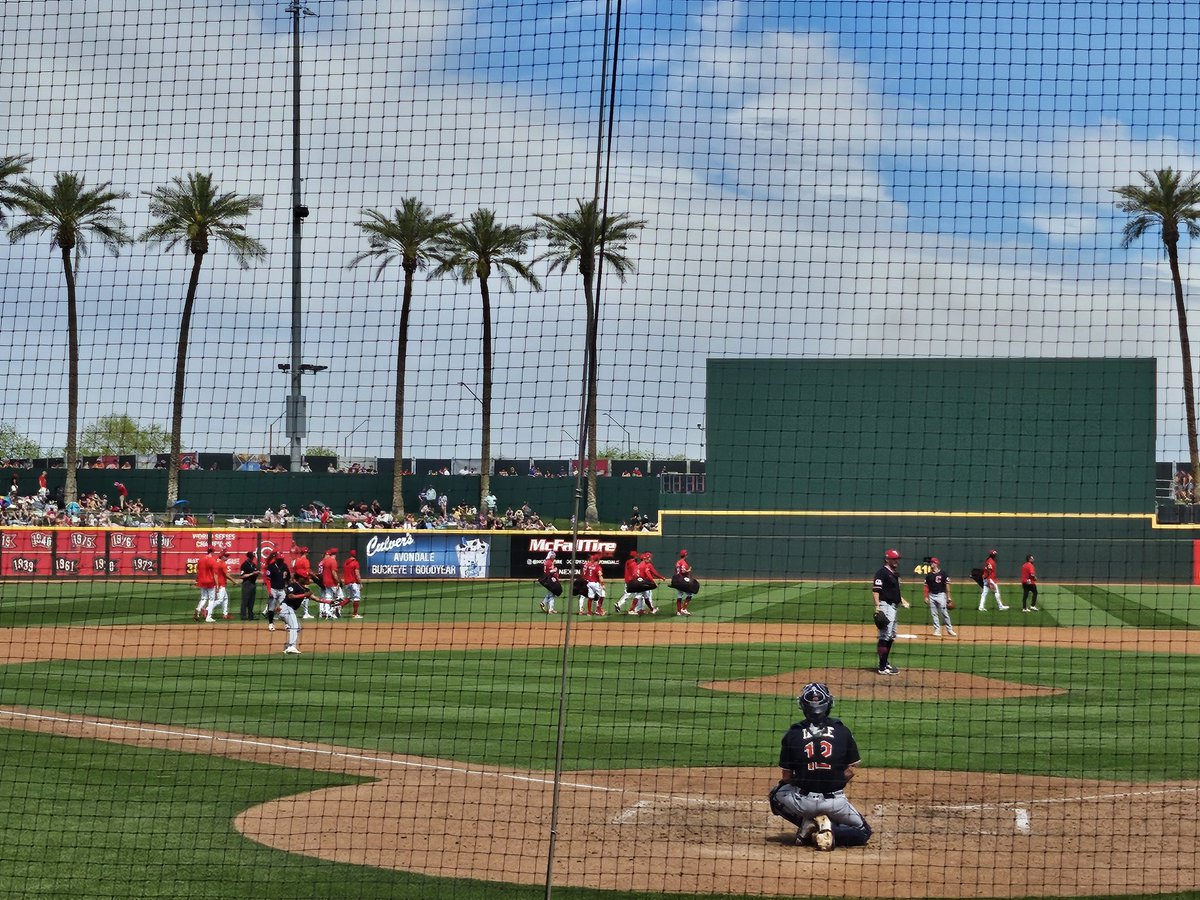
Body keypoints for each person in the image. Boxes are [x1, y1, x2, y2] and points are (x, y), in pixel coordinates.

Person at [768, 682, 873, 851]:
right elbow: (852, 769)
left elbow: (786, 778)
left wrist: (804, 778)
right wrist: (834, 778)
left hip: (803, 802)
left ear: (802, 705)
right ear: (829, 704)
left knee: (775, 795)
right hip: (835, 803)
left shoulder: (792, 734)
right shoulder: (842, 731)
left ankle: (807, 823)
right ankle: (829, 830)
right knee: (863, 832)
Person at [871, 548, 910, 675]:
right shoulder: (882, 573)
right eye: (894, 559)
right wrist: (877, 607)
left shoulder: (894, 574)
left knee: (892, 635)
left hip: (893, 607)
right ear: (887, 559)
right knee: (885, 635)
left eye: (897, 559)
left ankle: (885, 662)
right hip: (885, 606)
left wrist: (902, 600)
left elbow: (895, 591)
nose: (896, 561)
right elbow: (876, 590)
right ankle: (882, 667)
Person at [267, 572, 313, 654]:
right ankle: (292, 647)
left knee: (297, 627)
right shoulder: (294, 585)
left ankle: (288, 645)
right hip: (285, 608)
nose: (307, 579)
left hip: (289, 610)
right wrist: (304, 595)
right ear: (299, 579)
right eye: (305, 578)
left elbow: (317, 599)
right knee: (294, 626)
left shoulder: (306, 590)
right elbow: (290, 596)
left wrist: (330, 602)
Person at [923, 557, 956, 637]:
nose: (931, 564)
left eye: (932, 563)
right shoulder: (929, 575)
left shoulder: (943, 573)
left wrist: (949, 597)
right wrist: (926, 596)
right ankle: (937, 630)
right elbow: (926, 586)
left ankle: (949, 629)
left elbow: (947, 584)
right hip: (932, 596)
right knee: (934, 614)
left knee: (944, 613)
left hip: (941, 595)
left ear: (936, 563)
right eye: (930, 563)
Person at [263, 551, 291, 619]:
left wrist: (287, 586)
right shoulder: (271, 565)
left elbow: (288, 578)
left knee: (284, 605)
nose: (280, 561)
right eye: (279, 559)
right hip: (272, 586)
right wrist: (269, 591)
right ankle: (268, 613)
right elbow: (268, 579)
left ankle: (284, 621)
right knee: (272, 604)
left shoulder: (284, 566)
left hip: (281, 588)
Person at [207, 550, 235, 619]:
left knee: (225, 598)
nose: (227, 558)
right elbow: (226, 575)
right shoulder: (223, 564)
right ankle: (207, 609)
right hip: (220, 584)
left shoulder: (216, 561)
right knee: (220, 600)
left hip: (216, 583)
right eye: (226, 556)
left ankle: (225, 614)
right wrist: (234, 581)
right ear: (222, 557)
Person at [671, 548, 699, 615]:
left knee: (679, 595)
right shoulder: (683, 563)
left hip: (676, 580)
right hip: (682, 581)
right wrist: (688, 570)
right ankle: (684, 609)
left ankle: (678, 611)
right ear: (686, 555)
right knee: (690, 594)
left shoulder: (678, 562)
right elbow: (683, 571)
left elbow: (677, 570)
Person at [317, 547, 343, 619]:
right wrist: (338, 581)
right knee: (340, 597)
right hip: (332, 582)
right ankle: (336, 613)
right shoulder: (333, 561)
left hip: (325, 582)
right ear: (335, 554)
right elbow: (334, 572)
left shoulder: (325, 561)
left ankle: (328, 613)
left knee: (328, 597)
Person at [194, 547, 218, 621]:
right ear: (213, 552)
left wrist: (197, 580)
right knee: (211, 599)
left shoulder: (201, 560)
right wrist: (217, 585)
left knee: (204, 598)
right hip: (210, 582)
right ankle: (208, 617)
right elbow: (215, 574)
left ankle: (198, 609)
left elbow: (198, 571)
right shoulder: (213, 560)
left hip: (202, 581)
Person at [292, 547, 315, 619]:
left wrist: (294, 580)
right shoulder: (306, 560)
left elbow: (294, 571)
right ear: (306, 553)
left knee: (297, 595)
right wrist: (309, 580)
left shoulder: (297, 560)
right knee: (306, 596)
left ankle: (293, 611)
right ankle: (306, 613)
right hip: (304, 581)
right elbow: (307, 572)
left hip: (297, 581)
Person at [537, 550, 562, 614]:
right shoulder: (549, 562)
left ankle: (550, 608)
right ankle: (544, 604)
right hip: (549, 579)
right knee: (552, 593)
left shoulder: (548, 561)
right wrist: (555, 569)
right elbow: (551, 571)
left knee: (552, 594)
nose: (554, 557)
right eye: (553, 556)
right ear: (550, 556)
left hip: (548, 578)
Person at [342, 550, 364, 618]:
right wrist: (360, 583)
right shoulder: (355, 563)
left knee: (350, 598)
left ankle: (338, 607)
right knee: (356, 598)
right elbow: (357, 574)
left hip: (347, 583)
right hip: (354, 583)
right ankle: (355, 614)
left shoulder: (346, 562)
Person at [238, 550, 259, 621]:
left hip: (253, 584)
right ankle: (243, 616)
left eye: (253, 557)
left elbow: (255, 572)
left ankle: (250, 616)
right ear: (249, 557)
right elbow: (241, 576)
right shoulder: (244, 565)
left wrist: (257, 573)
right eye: (252, 557)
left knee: (252, 601)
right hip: (246, 584)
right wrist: (252, 574)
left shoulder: (253, 564)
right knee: (245, 601)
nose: (253, 558)